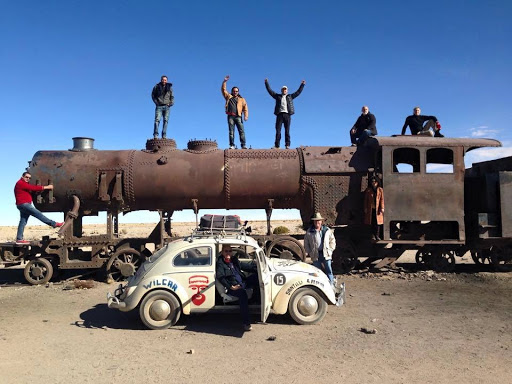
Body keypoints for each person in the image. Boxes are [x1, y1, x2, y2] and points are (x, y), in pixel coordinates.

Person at [216, 244, 258, 331]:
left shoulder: (234, 260)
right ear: (222, 252)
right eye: (226, 251)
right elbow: (221, 277)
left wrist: (257, 267)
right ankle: (246, 323)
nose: (228, 253)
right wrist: (231, 286)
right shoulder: (220, 263)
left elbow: (243, 266)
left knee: (257, 277)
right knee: (242, 294)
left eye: (230, 251)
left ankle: (255, 300)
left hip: (242, 283)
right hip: (233, 286)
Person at [14, 172, 63, 244]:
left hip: (21, 205)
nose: (28, 179)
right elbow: (33, 188)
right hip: (24, 204)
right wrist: (47, 187)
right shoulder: (20, 183)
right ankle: (54, 224)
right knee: (38, 214)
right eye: (26, 177)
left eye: (29, 178)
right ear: (22, 176)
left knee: (23, 222)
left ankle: (19, 239)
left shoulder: (23, 183)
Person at [264, 79, 306, 149]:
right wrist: (266, 83)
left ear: (287, 90)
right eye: (283, 89)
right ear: (281, 90)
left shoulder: (290, 96)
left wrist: (302, 85)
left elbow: (298, 92)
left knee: (287, 130)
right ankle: (277, 146)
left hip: (287, 115)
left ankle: (287, 145)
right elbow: (270, 91)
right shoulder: (278, 96)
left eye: (285, 89)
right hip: (279, 115)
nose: (284, 90)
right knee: (278, 130)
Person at [304, 212, 336, 286]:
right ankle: (321, 286)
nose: (317, 222)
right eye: (315, 221)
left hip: (326, 253)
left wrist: (330, 250)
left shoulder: (327, 230)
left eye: (318, 220)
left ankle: (331, 285)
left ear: (321, 221)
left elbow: (332, 241)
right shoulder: (309, 232)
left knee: (329, 271)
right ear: (313, 222)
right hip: (316, 255)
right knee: (317, 272)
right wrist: (310, 252)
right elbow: (306, 243)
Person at [221, 75, 249, 149]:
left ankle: (243, 145)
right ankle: (232, 145)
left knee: (241, 131)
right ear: (232, 91)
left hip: (238, 116)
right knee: (231, 132)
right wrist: (224, 81)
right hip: (231, 116)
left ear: (238, 92)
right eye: (234, 91)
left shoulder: (242, 99)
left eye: (236, 91)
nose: (235, 92)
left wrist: (246, 116)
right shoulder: (228, 97)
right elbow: (223, 90)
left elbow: (245, 108)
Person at [151, 75, 174, 139]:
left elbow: (172, 97)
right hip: (159, 106)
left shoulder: (170, 88)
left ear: (167, 81)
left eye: (165, 80)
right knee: (157, 120)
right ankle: (155, 134)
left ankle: (164, 135)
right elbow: (153, 95)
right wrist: (156, 102)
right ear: (161, 80)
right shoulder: (157, 87)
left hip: (167, 106)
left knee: (165, 121)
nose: (164, 81)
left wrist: (170, 104)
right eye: (163, 80)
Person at [364, 176, 385, 241]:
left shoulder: (380, 190)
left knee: (378, 223)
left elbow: (382, 199)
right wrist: (365, 208)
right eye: (372, 181)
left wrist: (382, 207)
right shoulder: (368, 190)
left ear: (377, 182)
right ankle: (372, 236)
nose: (374, 183)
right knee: (371, 222)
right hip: (371, 209)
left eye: (375, 181)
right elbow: (366, 200)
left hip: (378, 209)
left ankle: (377, 235)